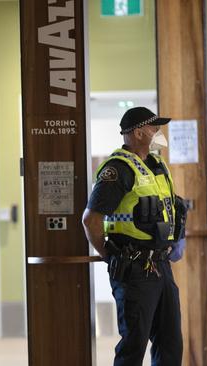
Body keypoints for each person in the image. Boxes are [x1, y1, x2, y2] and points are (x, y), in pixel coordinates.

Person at [82, 107, 186, 366]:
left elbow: (173, 205)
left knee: (171, 343)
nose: (158, 133)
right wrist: (110, 256)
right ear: (139, 133)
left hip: (161, 266)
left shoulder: (157, 165)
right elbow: (90, 220)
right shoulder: (118, 169)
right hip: (134, 269)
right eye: (154, 128)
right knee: (134, 345)